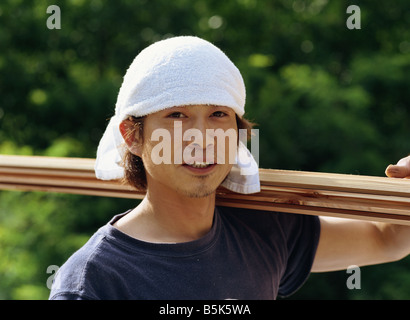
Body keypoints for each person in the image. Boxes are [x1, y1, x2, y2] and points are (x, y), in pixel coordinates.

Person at [49, 36, 410, 300]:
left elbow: (386, 239)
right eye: (177, 115)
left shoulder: (262, 228)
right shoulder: (94, 281)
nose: (202, 137)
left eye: (218, 114)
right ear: (132, 136)